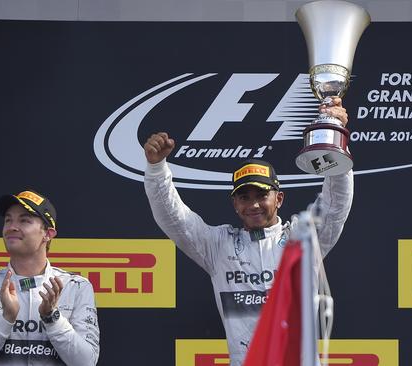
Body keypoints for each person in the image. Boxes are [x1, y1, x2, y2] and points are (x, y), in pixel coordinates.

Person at [143, 96, 353, 366]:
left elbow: (335, 206)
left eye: (261, 195)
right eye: (244, 197)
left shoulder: (303, 240)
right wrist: (157, 169)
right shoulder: (218, 245)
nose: (253, 204)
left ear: (278, 199)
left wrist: (335, 137)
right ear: (235, 203)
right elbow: (174, 219)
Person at [0, 190, 100, 366]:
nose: (12, 226)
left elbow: (86, 362)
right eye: (8, 220)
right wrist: (6, 319)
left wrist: (52, 318)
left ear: (48, 234)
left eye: (24, 220)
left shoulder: (76, 286)